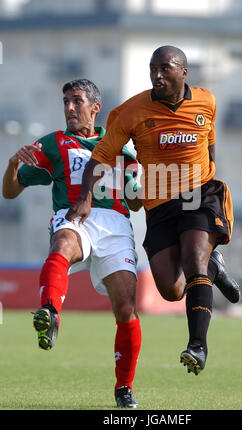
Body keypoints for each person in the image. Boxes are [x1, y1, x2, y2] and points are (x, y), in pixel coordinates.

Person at [66, 47, 240, 377]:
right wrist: (86, 197)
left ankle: (197, 346)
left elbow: (210, 144)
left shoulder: (207, 101)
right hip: (159, 202)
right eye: (152, 69)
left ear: (184, 72)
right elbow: (100, 158)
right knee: (172, 289)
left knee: (193, 259)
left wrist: (207, 175)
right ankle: (213, 268)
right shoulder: (130, 112)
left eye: (165, 68)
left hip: (197, 194)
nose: (157, 75)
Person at [2, 78, 142, 408]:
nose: (69, 108)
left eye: (76, 101)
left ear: (95, 108)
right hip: (74, 213)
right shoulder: (53, 144)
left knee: (126, 309)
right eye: (65, 101)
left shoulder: (120, 147)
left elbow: (136, 203)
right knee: (62, 243)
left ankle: (124, 388)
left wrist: (138, 181)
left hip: (116, 226)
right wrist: (12, 164)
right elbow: (10, 192)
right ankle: (50, 313)